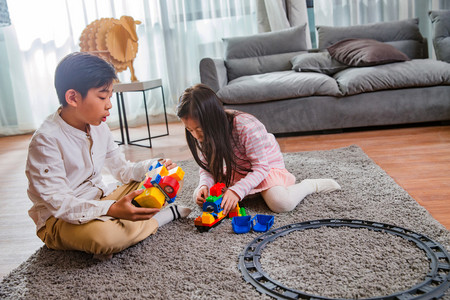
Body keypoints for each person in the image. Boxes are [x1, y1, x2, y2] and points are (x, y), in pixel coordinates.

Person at [25, 52, 190, 260]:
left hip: (101, 199)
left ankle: (124, 228)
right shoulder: (45, 140)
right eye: (103, 97)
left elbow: (123, 171)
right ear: (73, 98)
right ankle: (160, 218)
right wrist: (112, 209)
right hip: (60, 220)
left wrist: (154, 166)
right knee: (104, 238)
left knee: (171, 177)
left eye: (110, 96)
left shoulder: (97, 125)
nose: (109, 104)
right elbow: (61, 204)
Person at [176, 83, 341, 216]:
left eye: (199, 129)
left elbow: (261, 167)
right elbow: (207, 167)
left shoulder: (246, 126)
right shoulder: (203, 134)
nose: (196, 136)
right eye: (190, 130)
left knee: (281, 203)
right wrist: (204, 185)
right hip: (236, 167)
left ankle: (309, 185)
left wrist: (236, 191)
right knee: (199, 197)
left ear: (213, 118)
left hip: (264, 167)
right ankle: (248, 191)